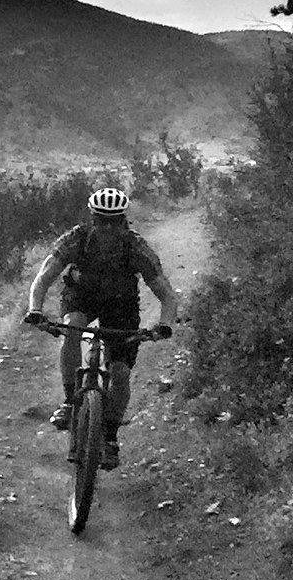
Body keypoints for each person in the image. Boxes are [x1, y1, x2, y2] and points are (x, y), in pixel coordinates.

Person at [23, 186, 179, 471]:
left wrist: (164, 324)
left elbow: (166, 294)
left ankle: (109, 437)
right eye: (101, 220)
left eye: (114, 221)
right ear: (93, 219)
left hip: (121, 304)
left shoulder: (135, 247)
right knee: (72, 327)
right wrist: (35, 309)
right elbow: (44, 276)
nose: (107, 228)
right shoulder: (76, 240)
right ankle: (71, 401)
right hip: (81, 296)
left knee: (120, 372)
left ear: (123, 221)